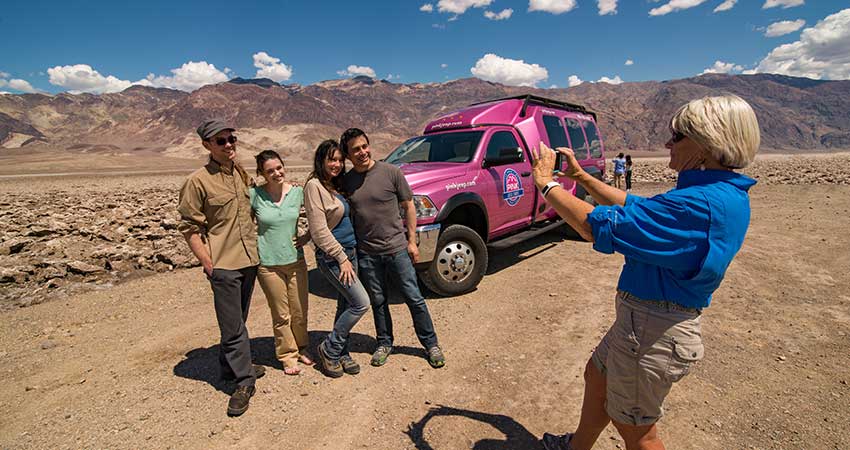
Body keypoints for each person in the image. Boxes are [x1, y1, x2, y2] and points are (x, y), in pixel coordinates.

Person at [531, 95, 760, 450]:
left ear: (705, 144)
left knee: (637, 430)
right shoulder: (716, 193)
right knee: (599, 374)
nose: (668, 143)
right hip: (645, 322)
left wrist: (547, 185)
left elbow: (594, 227)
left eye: (677, 135)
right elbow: (641, 207)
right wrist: (581, 178)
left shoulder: (699, 205)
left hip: (653, 329)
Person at [177, 119, 265, 417]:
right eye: (221, 141)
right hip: (224, 263)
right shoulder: (197, 181)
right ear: (206, 145)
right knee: (232, 326)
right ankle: (244, 381)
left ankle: (229, 368)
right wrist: (207, 263)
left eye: (231, 139)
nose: (229, 145)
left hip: (249, 259)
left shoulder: (241, 174)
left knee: (238, 319)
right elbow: (189, 227)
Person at [339, 128, 446, 369]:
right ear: (347, 155)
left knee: (414, 297)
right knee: (378, 300)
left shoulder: (390, 172)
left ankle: (431, 344)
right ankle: (384, 343)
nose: (362, 152)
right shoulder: (347, 181)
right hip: (368, 253)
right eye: (355, 149)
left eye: (364, 146)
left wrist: (411, 242)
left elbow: (408, 206)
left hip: (397, 249)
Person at [304, 139, 371, 378]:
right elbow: (320, 230)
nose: (337, 164)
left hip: (349, 251)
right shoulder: (314, 186)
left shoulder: (335, 185)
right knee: (360, 303)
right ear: (321, 160)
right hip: (334, 257)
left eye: (340, 160)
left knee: (345, 304)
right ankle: (329, 348)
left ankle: (341, 352)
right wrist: (341, 258)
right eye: (331, 159)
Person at [250, 150, 314, 376]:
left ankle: (301, 347)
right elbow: (243, 224)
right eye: (270, 171)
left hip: (295, 261)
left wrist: (307, 237)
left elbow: (318, 213)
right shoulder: (254, 195)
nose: (277, 173)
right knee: (281, 313)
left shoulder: (297, 193)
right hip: (268, 264)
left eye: (279, 168)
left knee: (299, 310)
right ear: (262, 174)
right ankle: (287, 355)